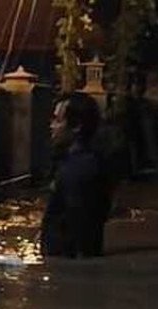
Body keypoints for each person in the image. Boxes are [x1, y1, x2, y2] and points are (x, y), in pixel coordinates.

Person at [41, 92, 111, 258]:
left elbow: (80, 228)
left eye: (58, 120)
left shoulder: (78, 170)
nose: (51, 125)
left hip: (67, 264)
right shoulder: (86, 162)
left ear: (76, 126)